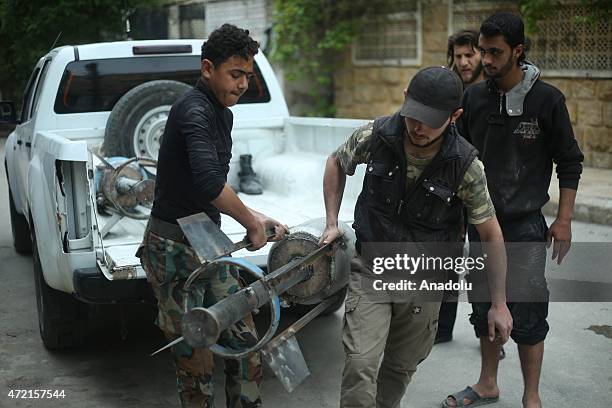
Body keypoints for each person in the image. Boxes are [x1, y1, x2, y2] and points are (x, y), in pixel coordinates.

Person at [319, 66, 513, 408]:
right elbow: (336, 161)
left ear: (455, 116)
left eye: (430, 120)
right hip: (373, 269)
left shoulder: (465, 165)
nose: (417, 126)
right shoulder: (376, 136)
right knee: (361, 363)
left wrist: (498, 304)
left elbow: (490, 233)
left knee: (399, 367)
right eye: (413, 115)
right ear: (405, 99)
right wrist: (332, 221)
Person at [138, 24, 286, 408]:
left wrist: (258, 217)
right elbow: (208, 183)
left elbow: (215, 188)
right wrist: (250, 224)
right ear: (208, 68)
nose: (242, 85)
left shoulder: (223, 114)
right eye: (235, 75)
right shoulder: (192, 110)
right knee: (196, 358)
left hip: (208, 241)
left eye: (247, 77)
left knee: (245, 342)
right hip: (171, 248)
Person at [443, 12, 583, 408]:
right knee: (484, 305)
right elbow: (460, 157)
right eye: (482, 51)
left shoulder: (547, 100)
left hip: (524, 226)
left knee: (529, 310)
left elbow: (569, 161)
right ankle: (488, 383)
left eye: (495, 52)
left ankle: (531, 396)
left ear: (517, 51)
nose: (485, 60)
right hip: (481, 222)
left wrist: (565, 218)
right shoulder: (473, 97)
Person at [436, 28, 488, 346]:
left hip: (482, 184)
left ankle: (488, 332)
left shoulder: (492, 92)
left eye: (471, 54)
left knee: (483, 262)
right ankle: (441, 329)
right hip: (450, 185)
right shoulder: (448, 88)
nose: (465, 61)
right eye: (459, 56)